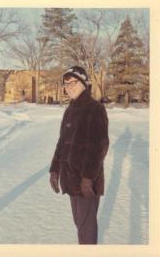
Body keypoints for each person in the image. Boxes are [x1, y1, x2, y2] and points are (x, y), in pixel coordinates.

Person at [49, 66, 109, 244]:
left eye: (73, 82)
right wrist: (54, 170)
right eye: (66, 84)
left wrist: (88, 178)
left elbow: (100, 146)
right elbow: (62, 143)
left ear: (84, 83)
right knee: (80, 225)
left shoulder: (95, 108)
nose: (69, 86)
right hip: (70, 178)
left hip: (85, 182)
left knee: (86, 228)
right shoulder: (70, 110)